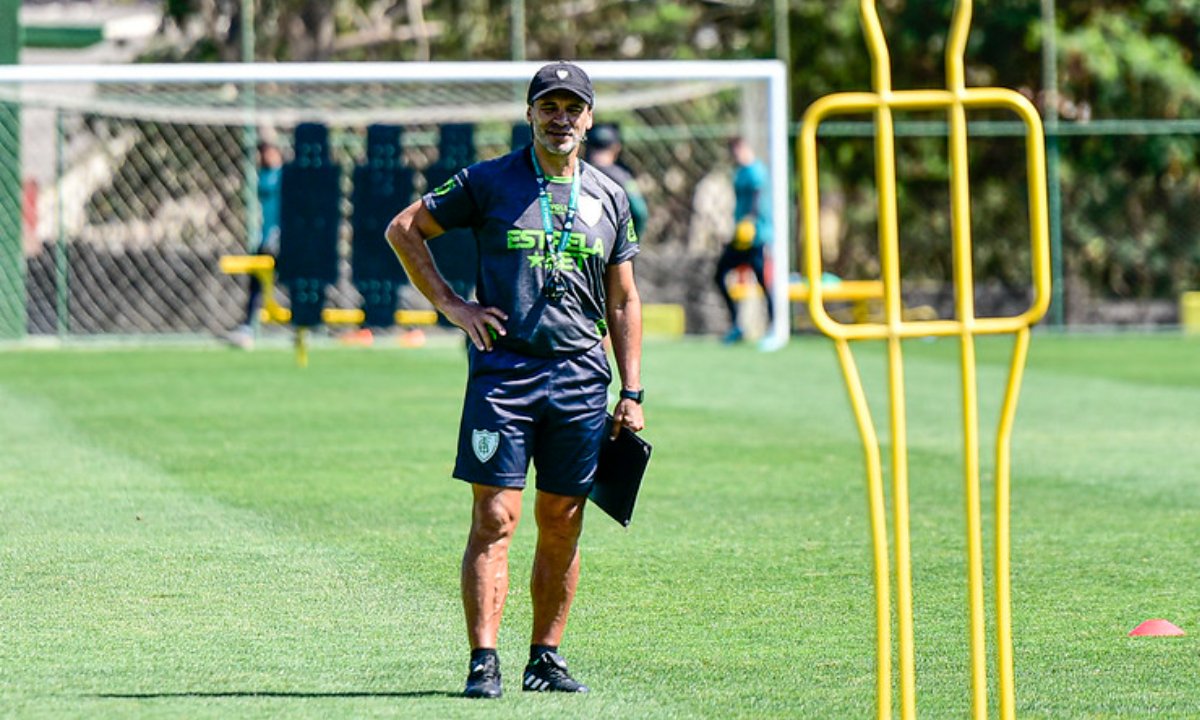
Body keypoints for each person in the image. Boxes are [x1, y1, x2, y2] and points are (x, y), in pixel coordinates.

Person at [385, 60, 646, 700]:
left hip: (583, 377)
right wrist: (453, 305)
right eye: (548, 107)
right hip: (504, 375)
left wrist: (631, 391)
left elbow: (624, 299)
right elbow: (405, 228)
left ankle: (546, 659)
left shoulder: (610, 196)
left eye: (572, 108)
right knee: (495, 516)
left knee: (564, 517)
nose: (561, 119)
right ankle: (484, 663)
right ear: (530, 114)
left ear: (588, 118)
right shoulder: (489, 181)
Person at [713, 136, 773, 345]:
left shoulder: (756, 171)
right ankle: (737, 325)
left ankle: (775, 326)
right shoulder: (739, 173)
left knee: (764, 281)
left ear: (744, 148)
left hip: (756, 237)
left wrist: (750, 221)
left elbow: (757, 197)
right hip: (741, 236)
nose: (735, 155)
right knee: (719, 274)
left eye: (736, 151)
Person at [229, 140, 284, 349]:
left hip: (282, 240)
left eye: (267, 152)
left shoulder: (286, 175)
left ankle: (308, 325)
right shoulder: (262, 176)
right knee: (256, 284)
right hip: (266, 240)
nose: (264, 157)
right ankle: (248, 328)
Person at [586, 124, 648, 241]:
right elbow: (640, 212)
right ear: (616, 147)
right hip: (612, 243)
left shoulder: (577, 173)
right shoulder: (622, 177)